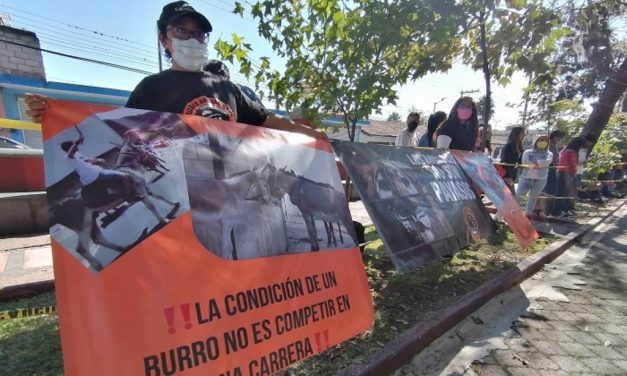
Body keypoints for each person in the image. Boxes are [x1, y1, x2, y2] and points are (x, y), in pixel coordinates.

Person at [25, 1, 324, 141]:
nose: (191, 39)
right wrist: (52, 115)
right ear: (163, 39)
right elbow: (117, 133)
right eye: (180, 30)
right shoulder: (151, 89)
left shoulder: (227, 89)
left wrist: (310, 134)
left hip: (235, 194)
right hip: (181, 207)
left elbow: (268, 120)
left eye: (198, 33)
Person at [516, 135, 553, 216]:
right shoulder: (527, 152)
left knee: (533, 198)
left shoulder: (549, 154)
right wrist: (539, 164)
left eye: (546, 141)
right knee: (518, 196)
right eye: (541, 140)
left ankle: (527, 215)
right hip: (525, 178)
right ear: (536, 141)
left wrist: (533, 161)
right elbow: (525, 162)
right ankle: (513, 213)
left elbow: (546, 162)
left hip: (540, 180)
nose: (543, 142)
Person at [555, 137, 586, 217]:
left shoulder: (565, 151)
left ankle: (564, 210)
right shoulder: (570, 152)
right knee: (565, 193)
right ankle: (561, 211)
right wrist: (571, 177)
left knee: (565, 193)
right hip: (566, 174)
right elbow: (570, 165)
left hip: (565, 173)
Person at [543, 130, 565, 215]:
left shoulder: (554, 146)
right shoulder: (547, 144)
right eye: (558, 138)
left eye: (560, 139)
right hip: (549, 168)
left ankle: (549, 209)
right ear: (554, 136)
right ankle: (545, 210)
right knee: (547, 189)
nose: (559, 140)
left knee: (551, 190)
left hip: (553, 168)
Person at [499, 126, 525, 194]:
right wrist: (508, 176)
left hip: (512, 175)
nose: (524, 135)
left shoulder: (520, 147)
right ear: (517, 134)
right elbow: (504, 161)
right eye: (522, 133)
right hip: (506, 175)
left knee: (508, 195)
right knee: (510, 195)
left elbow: (520, 163)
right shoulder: (508, 146)